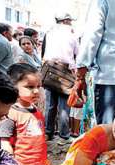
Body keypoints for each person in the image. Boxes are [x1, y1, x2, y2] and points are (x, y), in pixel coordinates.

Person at [0, 64, 50, 165]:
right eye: (30, 87)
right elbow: (5, 144)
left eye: (38, 86)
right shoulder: (10, 113)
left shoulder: (36, 109)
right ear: (14, 88)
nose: (36, 91)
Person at [42, 13, 79, 142]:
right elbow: (77, 54)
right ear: (66, 21)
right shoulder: (72, 34)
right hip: (65, 71)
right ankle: (63, 135)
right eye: (69, 21)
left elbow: (43, 52)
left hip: (50, 70)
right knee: (64, 106)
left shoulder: (49, 33)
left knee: (50, 105)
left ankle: (48, 132)